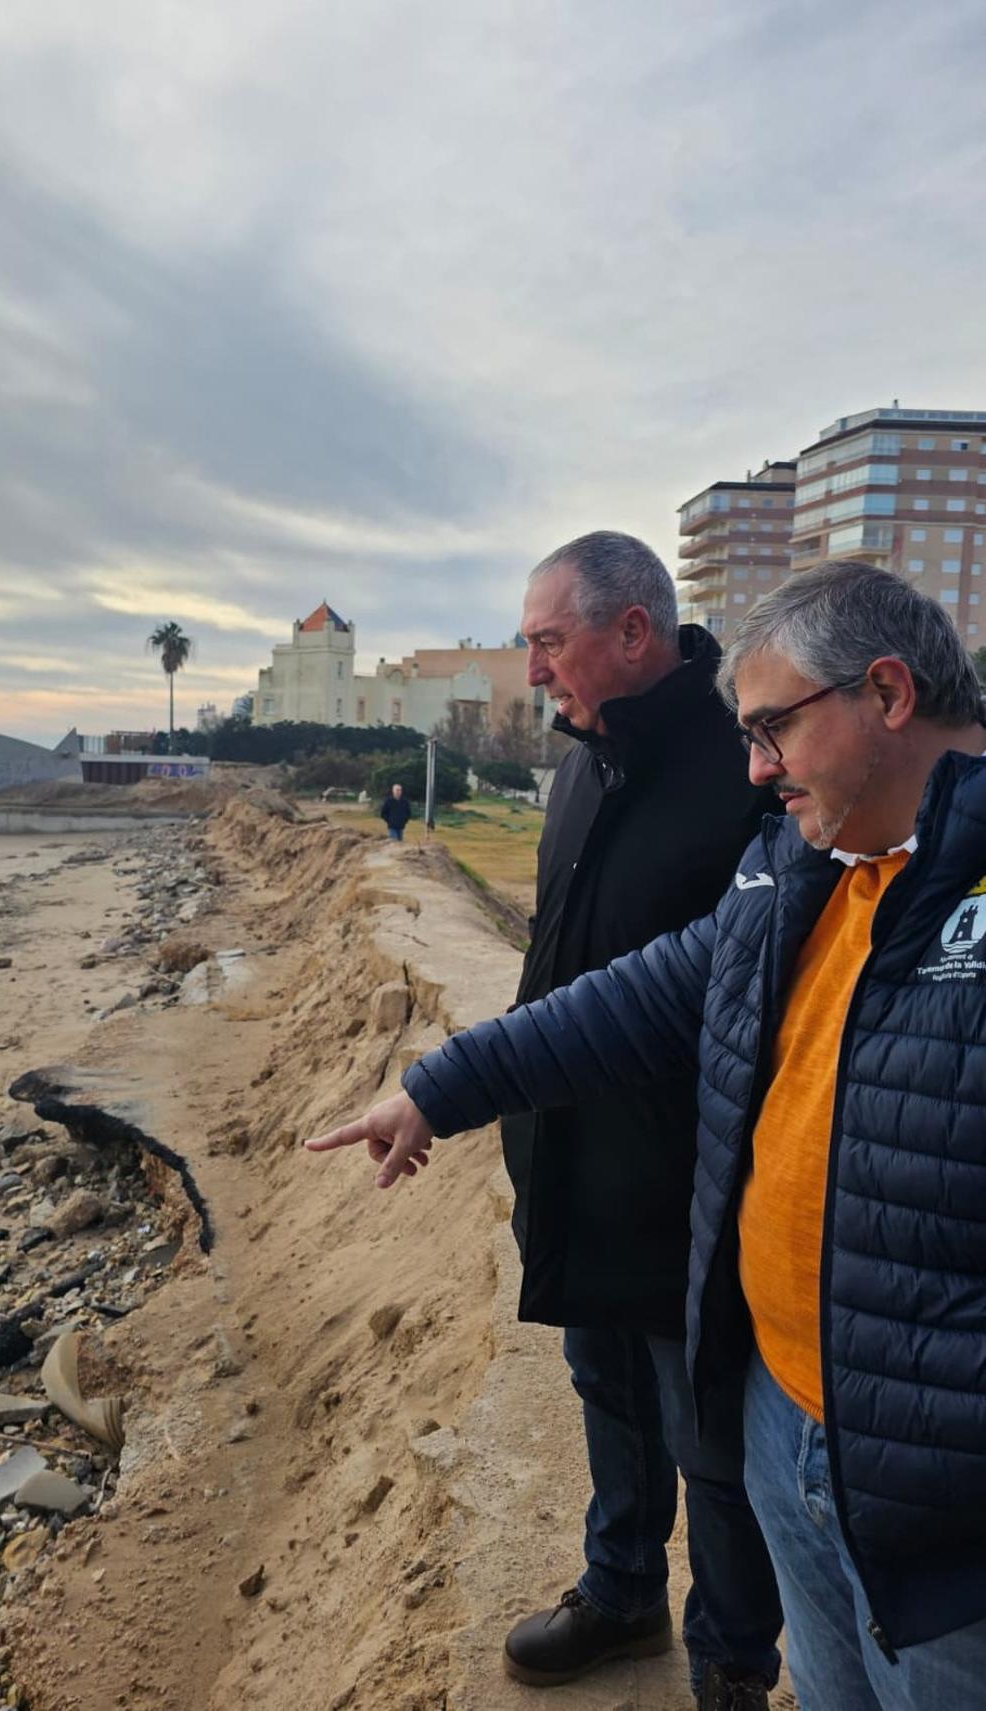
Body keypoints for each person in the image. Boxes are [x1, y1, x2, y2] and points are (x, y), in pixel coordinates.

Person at [308, 561, 986, 1711]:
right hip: (784, 1420)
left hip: (942, 1508)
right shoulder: (803, 862)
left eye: (773, 729)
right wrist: (441, 1084)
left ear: (887, 692)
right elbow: (642, 993)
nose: (758, 769)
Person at [497, 531, 781, 1708]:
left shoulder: (747, 767)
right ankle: (619, 1593)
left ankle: (730, 1664)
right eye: (527, 646)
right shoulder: (580, 761)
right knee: (603, 1391)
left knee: (709, 1444)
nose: (533, 673)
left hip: (691, 1188)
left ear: (633, 631)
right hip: (572, 1163)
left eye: (548, 643)